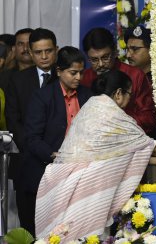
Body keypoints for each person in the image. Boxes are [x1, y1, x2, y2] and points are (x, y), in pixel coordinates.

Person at [35, 70, 156, 242]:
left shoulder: (91, 106)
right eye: (129, 94)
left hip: (68, 182)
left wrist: (150, 160)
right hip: (89, 185)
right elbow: (149, 144)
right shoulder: (111, 112)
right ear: (118, 94)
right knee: (86, 236)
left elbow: (107, 152)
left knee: (70, 236)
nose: (130, 99)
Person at [20, 46, 93, 235]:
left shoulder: (87, 95)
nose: (78, 77)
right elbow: (32, 138)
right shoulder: (42, 97)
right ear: (59, 71)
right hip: (45, 172)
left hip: (78, 173)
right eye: (73, 73)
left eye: (81, 73)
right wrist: (55, 155)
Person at [5, 28, 58, 231]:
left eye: (48, 51)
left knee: (58, 226)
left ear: (56, 50)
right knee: (28, 224)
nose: (44, 56)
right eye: (38, 52)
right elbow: (13, 120)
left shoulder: (65, 77)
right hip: (27, 161)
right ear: (30, 52)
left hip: (58, 161)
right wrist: (36, 148)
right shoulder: (17, 80)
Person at [81, 27, 156, 140]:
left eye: (105, 57)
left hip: (130, 140)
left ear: (114, 52)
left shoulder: (135, 75)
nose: (101, 64)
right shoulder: (85, 77)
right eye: (94, 60)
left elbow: (149, 118)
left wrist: (117, 122)